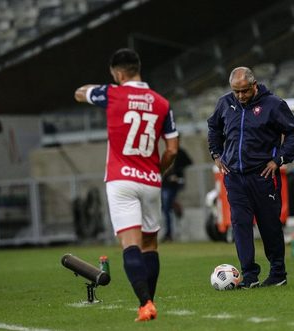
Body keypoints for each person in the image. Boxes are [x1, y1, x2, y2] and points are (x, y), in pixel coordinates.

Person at [74, 48, 178, 322]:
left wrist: (94, 89)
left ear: (118, 73)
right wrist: (157, 171)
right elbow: (173, 150)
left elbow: (80, 92)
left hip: (121, 179)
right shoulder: (162, 103)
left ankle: (145, 304)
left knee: (130, 244)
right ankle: (150, 301)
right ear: (138, 68)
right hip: (150, 180)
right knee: (150, 245)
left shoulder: (111, 93)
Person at [207, 67, 294, 288]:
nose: (240, 96)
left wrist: (279, 159)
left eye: (244, 91)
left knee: (269, 225)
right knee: (240, 224)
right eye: (236, 91)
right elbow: (213, 127)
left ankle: (278, 273)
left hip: (263, 175)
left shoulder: (274, 105)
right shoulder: (224, 103)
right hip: (234, 177)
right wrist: (216, 154)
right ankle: (249, 275)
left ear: (254, 85)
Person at [161, 147, 192, 242]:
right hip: (165, 184)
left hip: (173, 185)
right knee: (166, 208)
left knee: (166, 208)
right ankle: (175, 206)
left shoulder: (180, 153)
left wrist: (178, 174)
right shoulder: (166, 153)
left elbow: (189, 162)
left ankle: (169, 234)